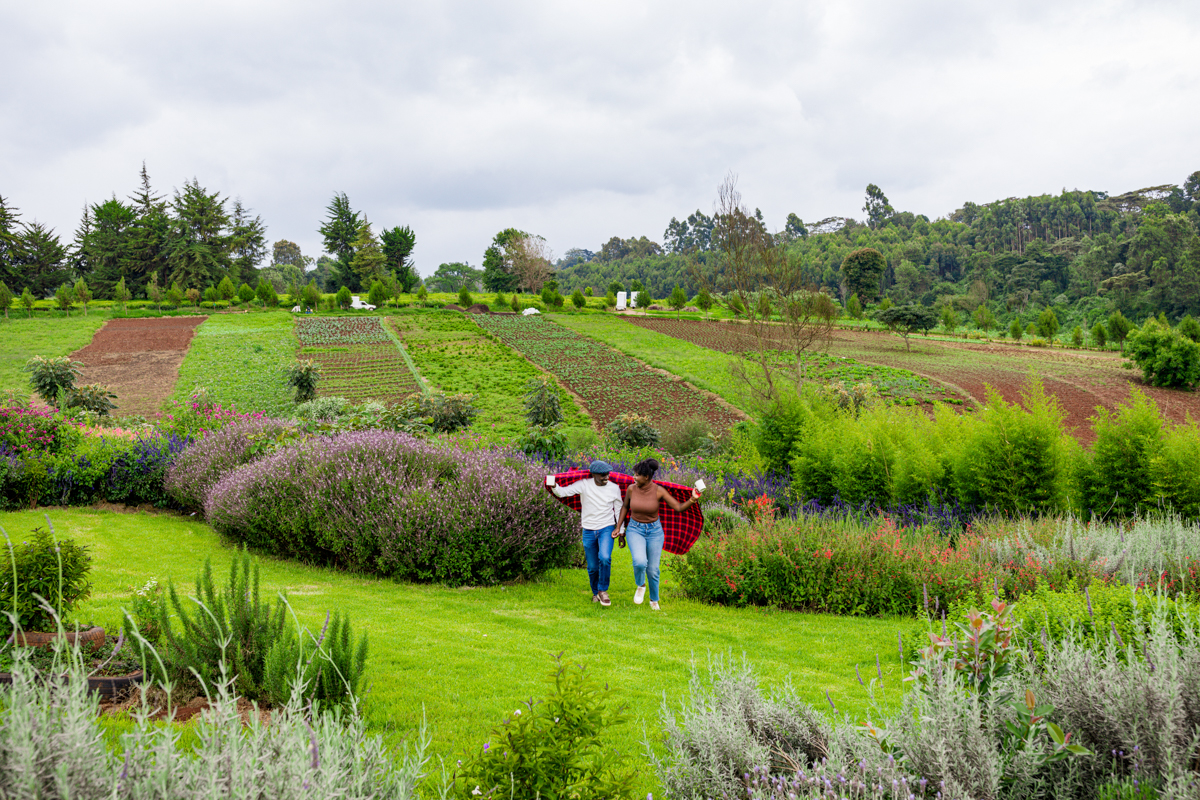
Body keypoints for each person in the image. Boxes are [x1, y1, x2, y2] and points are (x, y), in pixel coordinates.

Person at [614, 458, 699, 611]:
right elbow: (625, 507)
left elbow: (678, 507)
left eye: (637, 475)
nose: (634, 477)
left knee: (653, 569)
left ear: (646, 477)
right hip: (635, 529)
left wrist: (693, 499)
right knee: (639, 562)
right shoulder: (631, 489)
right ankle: (641, 585)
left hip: (654, 532)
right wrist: (619, 527)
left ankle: (654, 600)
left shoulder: (659, 491)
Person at [548, 460, 623, 607]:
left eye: (607, 474)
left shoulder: (614, 488)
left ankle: (603, 590)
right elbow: (563, 492)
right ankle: (595, 592)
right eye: (602, 475)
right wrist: (553, 484)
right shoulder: (584, 484)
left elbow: (619, 509)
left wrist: (621, 530)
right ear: (594, 475)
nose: (606, 477)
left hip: (606, 528)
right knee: (593, 567)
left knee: (605, 558)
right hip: (588, 529)